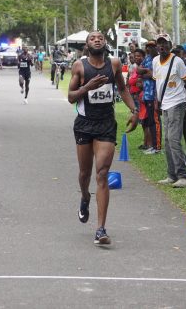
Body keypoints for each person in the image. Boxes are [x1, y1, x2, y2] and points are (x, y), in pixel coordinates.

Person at [68, 31, 138, 245]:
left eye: (100, 37)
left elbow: (123, 89)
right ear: (87, 45)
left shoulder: (114, 64)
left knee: (102, 173)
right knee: (84, 173)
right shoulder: (79, 66)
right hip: (84, 124)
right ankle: (85, 197)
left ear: (105, 42)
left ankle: (100, 228)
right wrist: (87, 87)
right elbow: (71, 97)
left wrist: (134, 111)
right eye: (92, 38)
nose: (97, 39)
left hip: (106, 124)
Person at [153, 33, 186, 188]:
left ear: (170, 45)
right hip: (164, 104)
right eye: (159, 44)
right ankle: (172, 175)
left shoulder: (178, 62)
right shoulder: (156, 61)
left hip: (177, 103)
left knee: (174, 139)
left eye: (165, 43)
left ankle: (184, 176)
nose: (162, 46)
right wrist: (157, 102)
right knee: (167, 140)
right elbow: (159, 84)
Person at [137, 40, 161, 154]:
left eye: (152, 46)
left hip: (154, 95)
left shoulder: (158, 59)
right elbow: (138, 70)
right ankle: (153, 145)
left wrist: (146, 74)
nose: (149, 49)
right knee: (150, 121)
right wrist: (146, 71)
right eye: (147, 47)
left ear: (156, 47)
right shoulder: (147, 58)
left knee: (155, 121)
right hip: (146, 95)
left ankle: (157, 147)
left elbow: (154, 75)